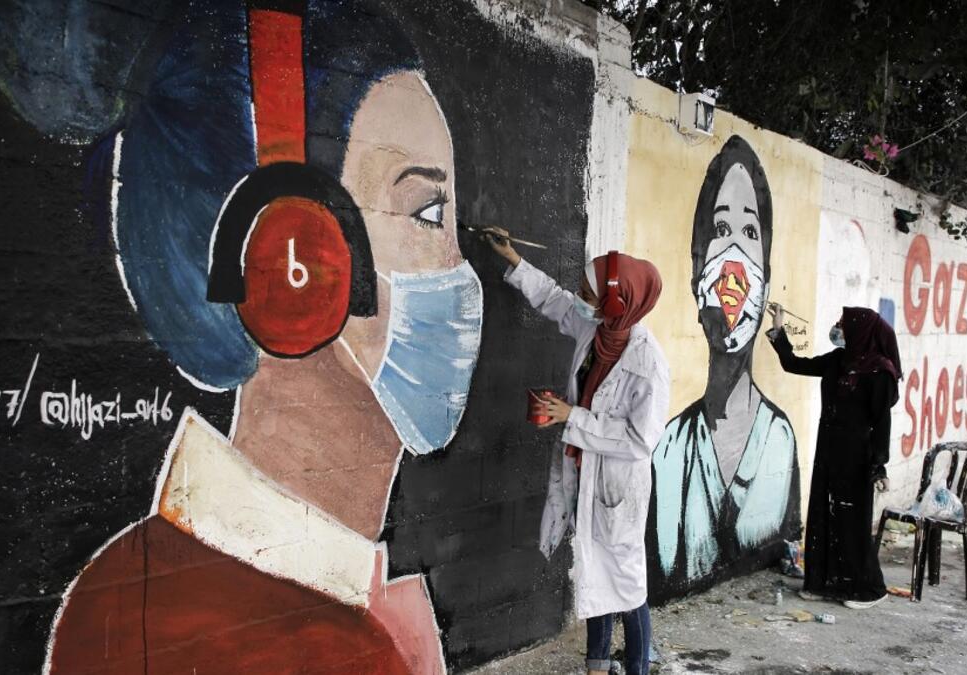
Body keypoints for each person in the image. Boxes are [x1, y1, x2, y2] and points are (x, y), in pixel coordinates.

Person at [42, 2, 479, 673]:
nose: (461, 270)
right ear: (294, 266)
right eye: (427, 211)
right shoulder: (323, 648)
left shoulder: (118, 590)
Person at [485, 228, 669, 675]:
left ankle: (638, 667)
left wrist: (573, 417)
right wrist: (512, 256)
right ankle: (597, 665)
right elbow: (555, 299)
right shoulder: (598, 327)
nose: (583, 298)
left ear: (618, 300)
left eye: (591, 292)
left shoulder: (648, 364)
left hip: (615, 487)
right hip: (584, 470)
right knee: (593, 573)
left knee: (627, 587)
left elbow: (641, 440)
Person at [650, 135, 799, 589]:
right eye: (720, 231)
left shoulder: (780, 440)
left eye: (750, 233)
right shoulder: (670, 450)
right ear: (697, 271)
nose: (734, 255)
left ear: (766, 279)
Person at [766, 304, 900, 609]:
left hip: (858, 459)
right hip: (829, 452)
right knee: (823, 517)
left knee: (852, 523)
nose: (838, 327)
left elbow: (881, 422)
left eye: (843, 323)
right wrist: (778, 329)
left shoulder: (880, 374)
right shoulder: (839, 361)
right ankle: (822, 583)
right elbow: (793, 364)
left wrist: (879, 466)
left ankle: (867, 589)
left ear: (861, 330)